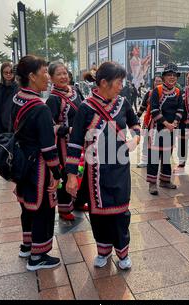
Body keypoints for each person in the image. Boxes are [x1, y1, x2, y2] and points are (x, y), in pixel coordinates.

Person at [65, 62, 141, 270]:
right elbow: (74, 143)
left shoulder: (123, 103)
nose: (121, 86)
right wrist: (71, 175)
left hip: (119, 168)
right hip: (95, 173)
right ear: (104, 83)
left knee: (120, 213)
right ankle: (103, 251)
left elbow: (136, 125)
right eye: (118, 82)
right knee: (98, 214)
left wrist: (135, 139)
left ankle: (123, 253)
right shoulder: (85, 108)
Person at [11, 55, 62, 271]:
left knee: (27, 207)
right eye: (44, 74)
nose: (48, 79)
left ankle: (27, 245)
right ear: (32, 76)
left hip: (22, 163)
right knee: (42, 209)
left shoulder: (18, 98)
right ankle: (38, 257)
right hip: (38, 168)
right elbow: (49, 148)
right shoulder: (39, 107)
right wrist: (57, 173)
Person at [46, 61, 87, 221]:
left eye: (65, 73)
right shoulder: (53, 99)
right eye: (59, 74)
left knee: (80, 170)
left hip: (80, 140)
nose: (63, 77)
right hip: (64, 144)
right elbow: (50, 126)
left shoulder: (76, 91)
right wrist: (68, 130)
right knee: (66, 173)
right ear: (51, 78)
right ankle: (64, 208)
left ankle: (78, 201)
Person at [147, 63, 184, 195]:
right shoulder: (157, 90)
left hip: (170, 129)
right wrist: (166, 124)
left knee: (167, 156)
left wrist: (174, 123)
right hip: (157, 127)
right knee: (154, 156)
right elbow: (154, 110)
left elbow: (180, 109)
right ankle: (152, 183)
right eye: (169, 75)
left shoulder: (178, 92)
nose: (172, 77)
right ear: (164, 77)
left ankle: (165, 180)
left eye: (174, 75)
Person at [136, 75, 163, 168]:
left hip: (161, 122)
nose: (158, 83)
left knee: (160, 142)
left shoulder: (166, 94)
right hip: (149, 121)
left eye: (160, 81)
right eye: (156, 81)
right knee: (146, 141)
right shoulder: (149, 93)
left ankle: (157, 160)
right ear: (153, 82)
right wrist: (136, 117)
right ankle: (144, 160)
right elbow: (143, 107)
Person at [0, 62, 19, 138]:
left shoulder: (18, 88)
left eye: (11, 72)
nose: (8, 75)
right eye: (6, 72)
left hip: (14, 126)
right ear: (2, 73)